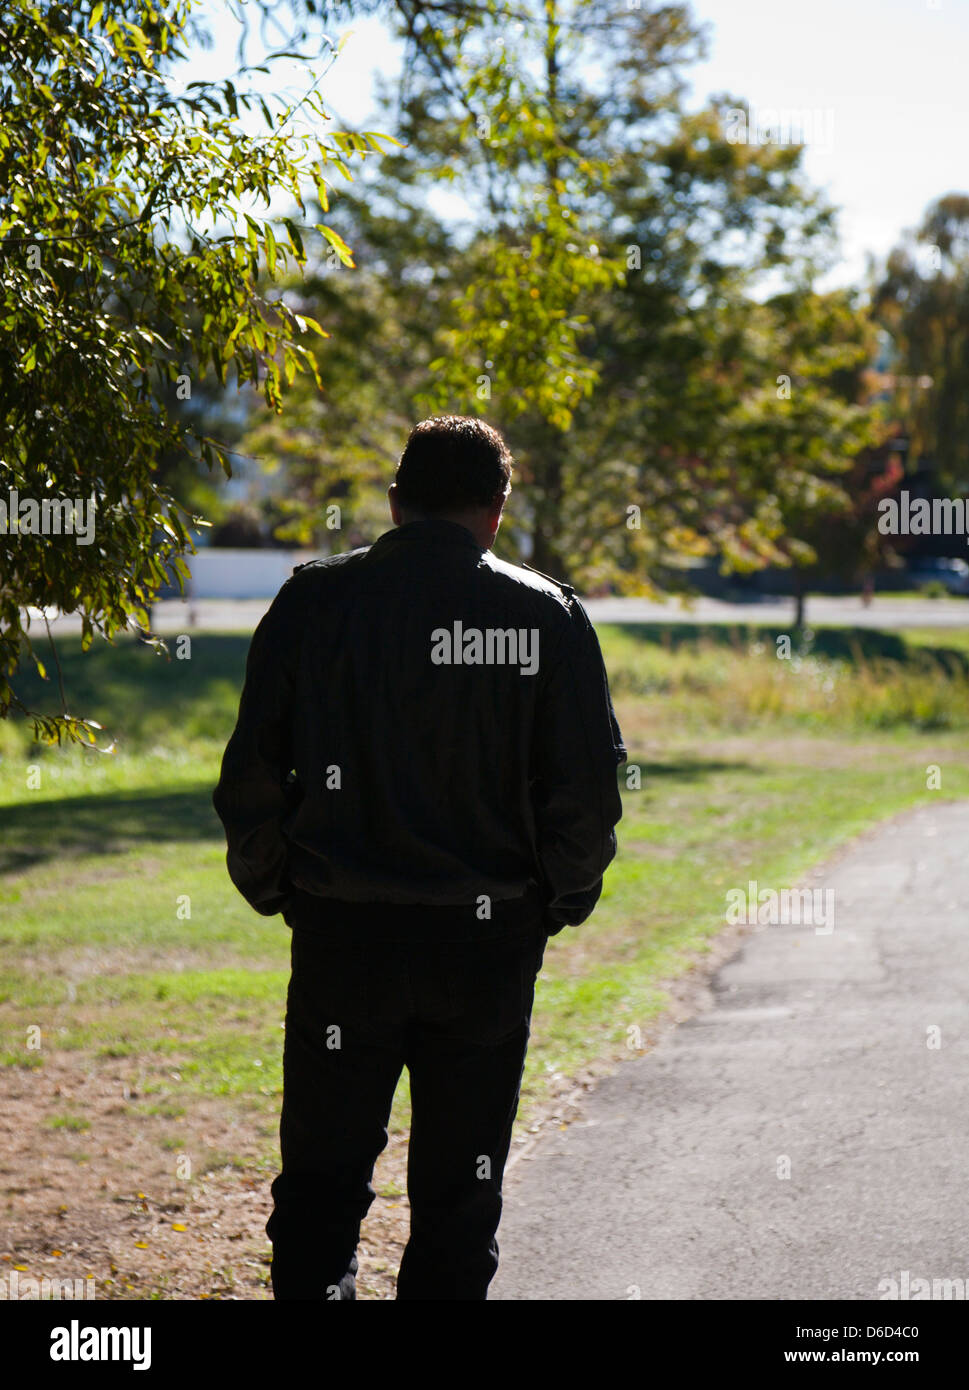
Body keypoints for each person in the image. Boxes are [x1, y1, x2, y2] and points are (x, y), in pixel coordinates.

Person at [213, 414, 626, 1300]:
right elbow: (586, 797)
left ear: (394, 502)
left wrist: (280, 887)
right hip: (485, 947)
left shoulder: (314, 604)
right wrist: (551, 903)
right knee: (459, 1200)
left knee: (321, 1190)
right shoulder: (544, 615)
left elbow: (249, 776)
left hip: (342, 939)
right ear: (498, 508)